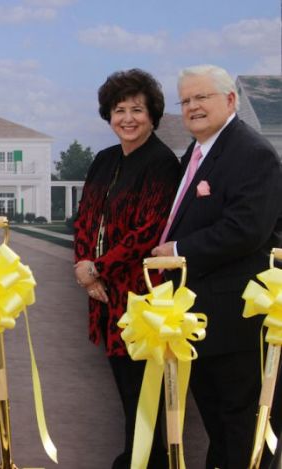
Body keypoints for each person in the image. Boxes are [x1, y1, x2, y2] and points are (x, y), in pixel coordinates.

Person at [152, 64, 282, 468]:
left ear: (230, 100)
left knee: (243, 427)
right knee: (220, 426)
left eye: (201, 97)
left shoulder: (253, 153)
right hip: (204, 317)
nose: (192, 107)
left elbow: (245, 230)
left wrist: (177, 247)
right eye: (186, 100)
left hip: (237, 321)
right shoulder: (198, 151)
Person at [73, 69, 180, 468]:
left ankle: (144, 461)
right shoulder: (104, 160)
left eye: (138, 109)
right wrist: (85, 271)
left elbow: (148, 231)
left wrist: (98, 268)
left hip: (138, 295)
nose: (128, 118)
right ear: (109, 115)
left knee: (143, 391)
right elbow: (84, 219)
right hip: (102, 294)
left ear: (152, 115)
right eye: (120, 110)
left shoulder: (162, 164)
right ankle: (136, 456)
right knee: (125, 389)